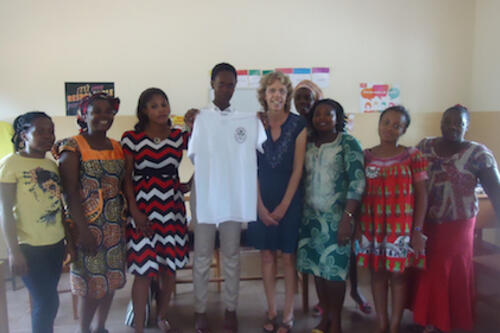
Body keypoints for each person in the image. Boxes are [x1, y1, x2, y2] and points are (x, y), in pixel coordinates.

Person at [189, 62, 266, 333]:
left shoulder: (247, 120)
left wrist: (260, 122)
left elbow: (259, 149)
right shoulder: (199, 119)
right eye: (221, 83)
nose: (226, 89)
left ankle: (231, 308)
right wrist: (191, 125)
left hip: (233, 194)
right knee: (201, 254)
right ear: (212, 84)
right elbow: (194, 157)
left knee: (232, 253)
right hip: (207, 193)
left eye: (231, 84)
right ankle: (200, 310)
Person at [411, 105, 500, 333]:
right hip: (427, 222)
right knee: (428, 269)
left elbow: (496, 192)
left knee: (449, 271)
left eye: (458, 123)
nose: (452, 126)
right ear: (440, 122)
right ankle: (430, 319)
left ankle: (448, 320)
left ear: (467, 126)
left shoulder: (479, 153)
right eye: (447, 121)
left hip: (458, 224)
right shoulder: (425, 146)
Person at [53, 93, 127, 333]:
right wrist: (82, 231)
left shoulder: (117, 146)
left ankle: (100, 327)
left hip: (114, 226)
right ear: (84, 115)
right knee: (90, 284)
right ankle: (84, 330)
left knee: (111, 281)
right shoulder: (72, 146)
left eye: (109, 111)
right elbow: (70, 192)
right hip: (87, 226)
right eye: (97, 111)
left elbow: (124, 185)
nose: (104, 116)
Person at [121, 88, 193, 332]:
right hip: (143, 208)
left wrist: (190, 182)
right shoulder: (131, 137)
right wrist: (134, 210)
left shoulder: (178, 137)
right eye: (154, 106)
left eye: (164, 104)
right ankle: (139, 325)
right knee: (143, 271)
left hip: (172, 209)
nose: (161, 109)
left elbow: (208, 153)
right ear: (144, 111)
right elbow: (127, 178)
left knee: (169, 268)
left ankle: (162, 315)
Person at [357, 106, 428, 333]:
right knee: (377, 274)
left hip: (401, 228)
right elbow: (357, 193)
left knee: (398, 276)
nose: (389, 128)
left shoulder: (412, 156)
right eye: (386, 122)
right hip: (372, 225)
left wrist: (417, 230)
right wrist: (357, 225)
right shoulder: (365, 156)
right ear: (379, 124)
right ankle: (382, 322)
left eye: (396, 125)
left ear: (403, 130)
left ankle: (395, 324)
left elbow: (422, 194)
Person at [297, 99, 365, 333]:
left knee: (335, 273)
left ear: (338, 118)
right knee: (318, 270)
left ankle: (335, 323)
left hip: (338, 219)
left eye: (329, 114)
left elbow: (357, 182)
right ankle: (325, 319)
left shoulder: (348, 143)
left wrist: (348, 217)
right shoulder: (307, 143)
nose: (323, 118)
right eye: (318, 114)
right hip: (310, 219)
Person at [247, 71, 307, 333]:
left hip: (289, 199)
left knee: (287, 258)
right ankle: (271, 311)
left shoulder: (299, 124)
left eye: (281, 91)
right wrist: (259, 206)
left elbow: (298, 169)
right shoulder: (254, 122)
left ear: (287, 95)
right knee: (267, 257)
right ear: (264, 94)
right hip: (260, 196)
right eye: (271, 90)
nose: (276, 95)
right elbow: (251, 168)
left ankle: (288, 314)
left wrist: (283, 206)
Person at [0, 112, 66, 333]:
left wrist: (68, 242)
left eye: (51, 130)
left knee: (46, 302)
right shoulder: (10, 164)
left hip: (55, 245)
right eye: (40, 131)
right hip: (29, 248)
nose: (49, 136)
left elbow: (59, 207)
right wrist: (14, 251)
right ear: (23, 135)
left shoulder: (51, 165)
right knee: (47, 303)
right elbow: (6, 211)